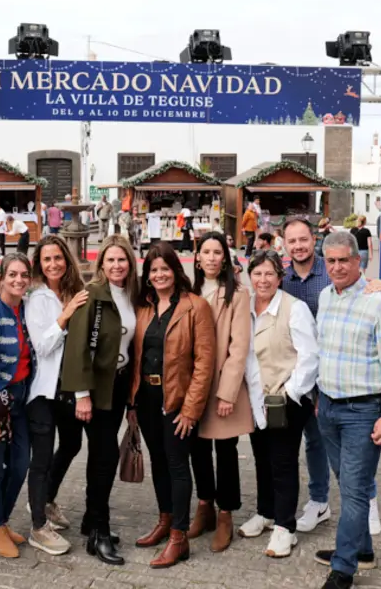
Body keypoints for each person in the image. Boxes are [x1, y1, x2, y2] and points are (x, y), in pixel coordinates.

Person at [280, 217, 381, 538]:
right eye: (292, 241)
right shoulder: (282, 277)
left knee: (347, 448)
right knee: (312, 443)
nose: (298, 246)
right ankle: (319, 501)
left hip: (336, 375)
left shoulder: (332, 267)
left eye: (303, 239)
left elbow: (367, 290)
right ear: (284, 244)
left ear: (312, 240)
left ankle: (367, 500)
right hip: (297, 375)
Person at [312, 230, 381, 589]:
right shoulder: (325, 296)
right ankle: (361, 550)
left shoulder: (379, 303)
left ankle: (344, 568)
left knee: (353, 489)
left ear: (358, 260)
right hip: (329, 408)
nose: (336, 267)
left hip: (364, 412)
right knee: (351, 484)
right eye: (330, 261)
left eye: (343, 261)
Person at [130, 241, 216, 568]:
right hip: (148, 399)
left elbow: (204, 363)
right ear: (147, 275)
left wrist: (191, 409)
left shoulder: (196, 307)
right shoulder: (144, 308)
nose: (160, 274)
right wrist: (132, 402)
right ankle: (165, 520)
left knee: (179, 464)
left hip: (178, 401)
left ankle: (179, 537)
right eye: (154, 270)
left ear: (175, 270)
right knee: (159, 462)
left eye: (165, 268)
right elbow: (138, 357)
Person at [60, 234, 139, 566]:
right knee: (104, 457)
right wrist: (81, 396)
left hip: (118, 385)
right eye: (111, 260)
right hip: (95, 388)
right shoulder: (91, 295)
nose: (117, 265)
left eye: (122, 260)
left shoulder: (131, 295)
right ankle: (100, 531)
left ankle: (91, 519)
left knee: (101, 456)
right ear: (101, 264)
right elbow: (77, 347)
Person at [239, 249, 319, 558]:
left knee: (283, 461)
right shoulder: (244, 308)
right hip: (256, 398)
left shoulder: (294, 309)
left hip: (286, 399)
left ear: (279, 277)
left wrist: (292, 393)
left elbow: (309, 356)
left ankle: (286, 527)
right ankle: (266, 512)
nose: (263, 280)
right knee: (261, 457)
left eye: (269, 274)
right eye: (257, 273)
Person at [24, 235, 89, 556]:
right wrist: (64, 316)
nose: (54, 264)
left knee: (73, 443)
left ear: (67, 259)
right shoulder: (37, 298)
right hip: (43, 389)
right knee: (42, 456)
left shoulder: (76, 291)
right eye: (47, 259)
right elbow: (42, 346)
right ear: (39, 264)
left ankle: (47, 499)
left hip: (70, 385)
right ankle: (37, 524)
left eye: (58, 258)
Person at [189, 232, 253, 553]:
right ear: (197, 257)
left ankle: (226, 513)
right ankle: (205, 506)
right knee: (197, 449)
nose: (212, 258)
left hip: (222, 384)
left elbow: (239, 346)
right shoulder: (188, 291)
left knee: (225, 451)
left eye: (218, 252)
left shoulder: (237, 294)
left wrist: (228, 392)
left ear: (225, 258)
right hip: (194, 385)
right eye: (206, 252)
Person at [0, 253, 36, 559]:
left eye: (24, 275)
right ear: (2, 278)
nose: (18, 280)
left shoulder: (27, 310)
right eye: (12, 274)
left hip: (21, 401)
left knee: (20, 464)